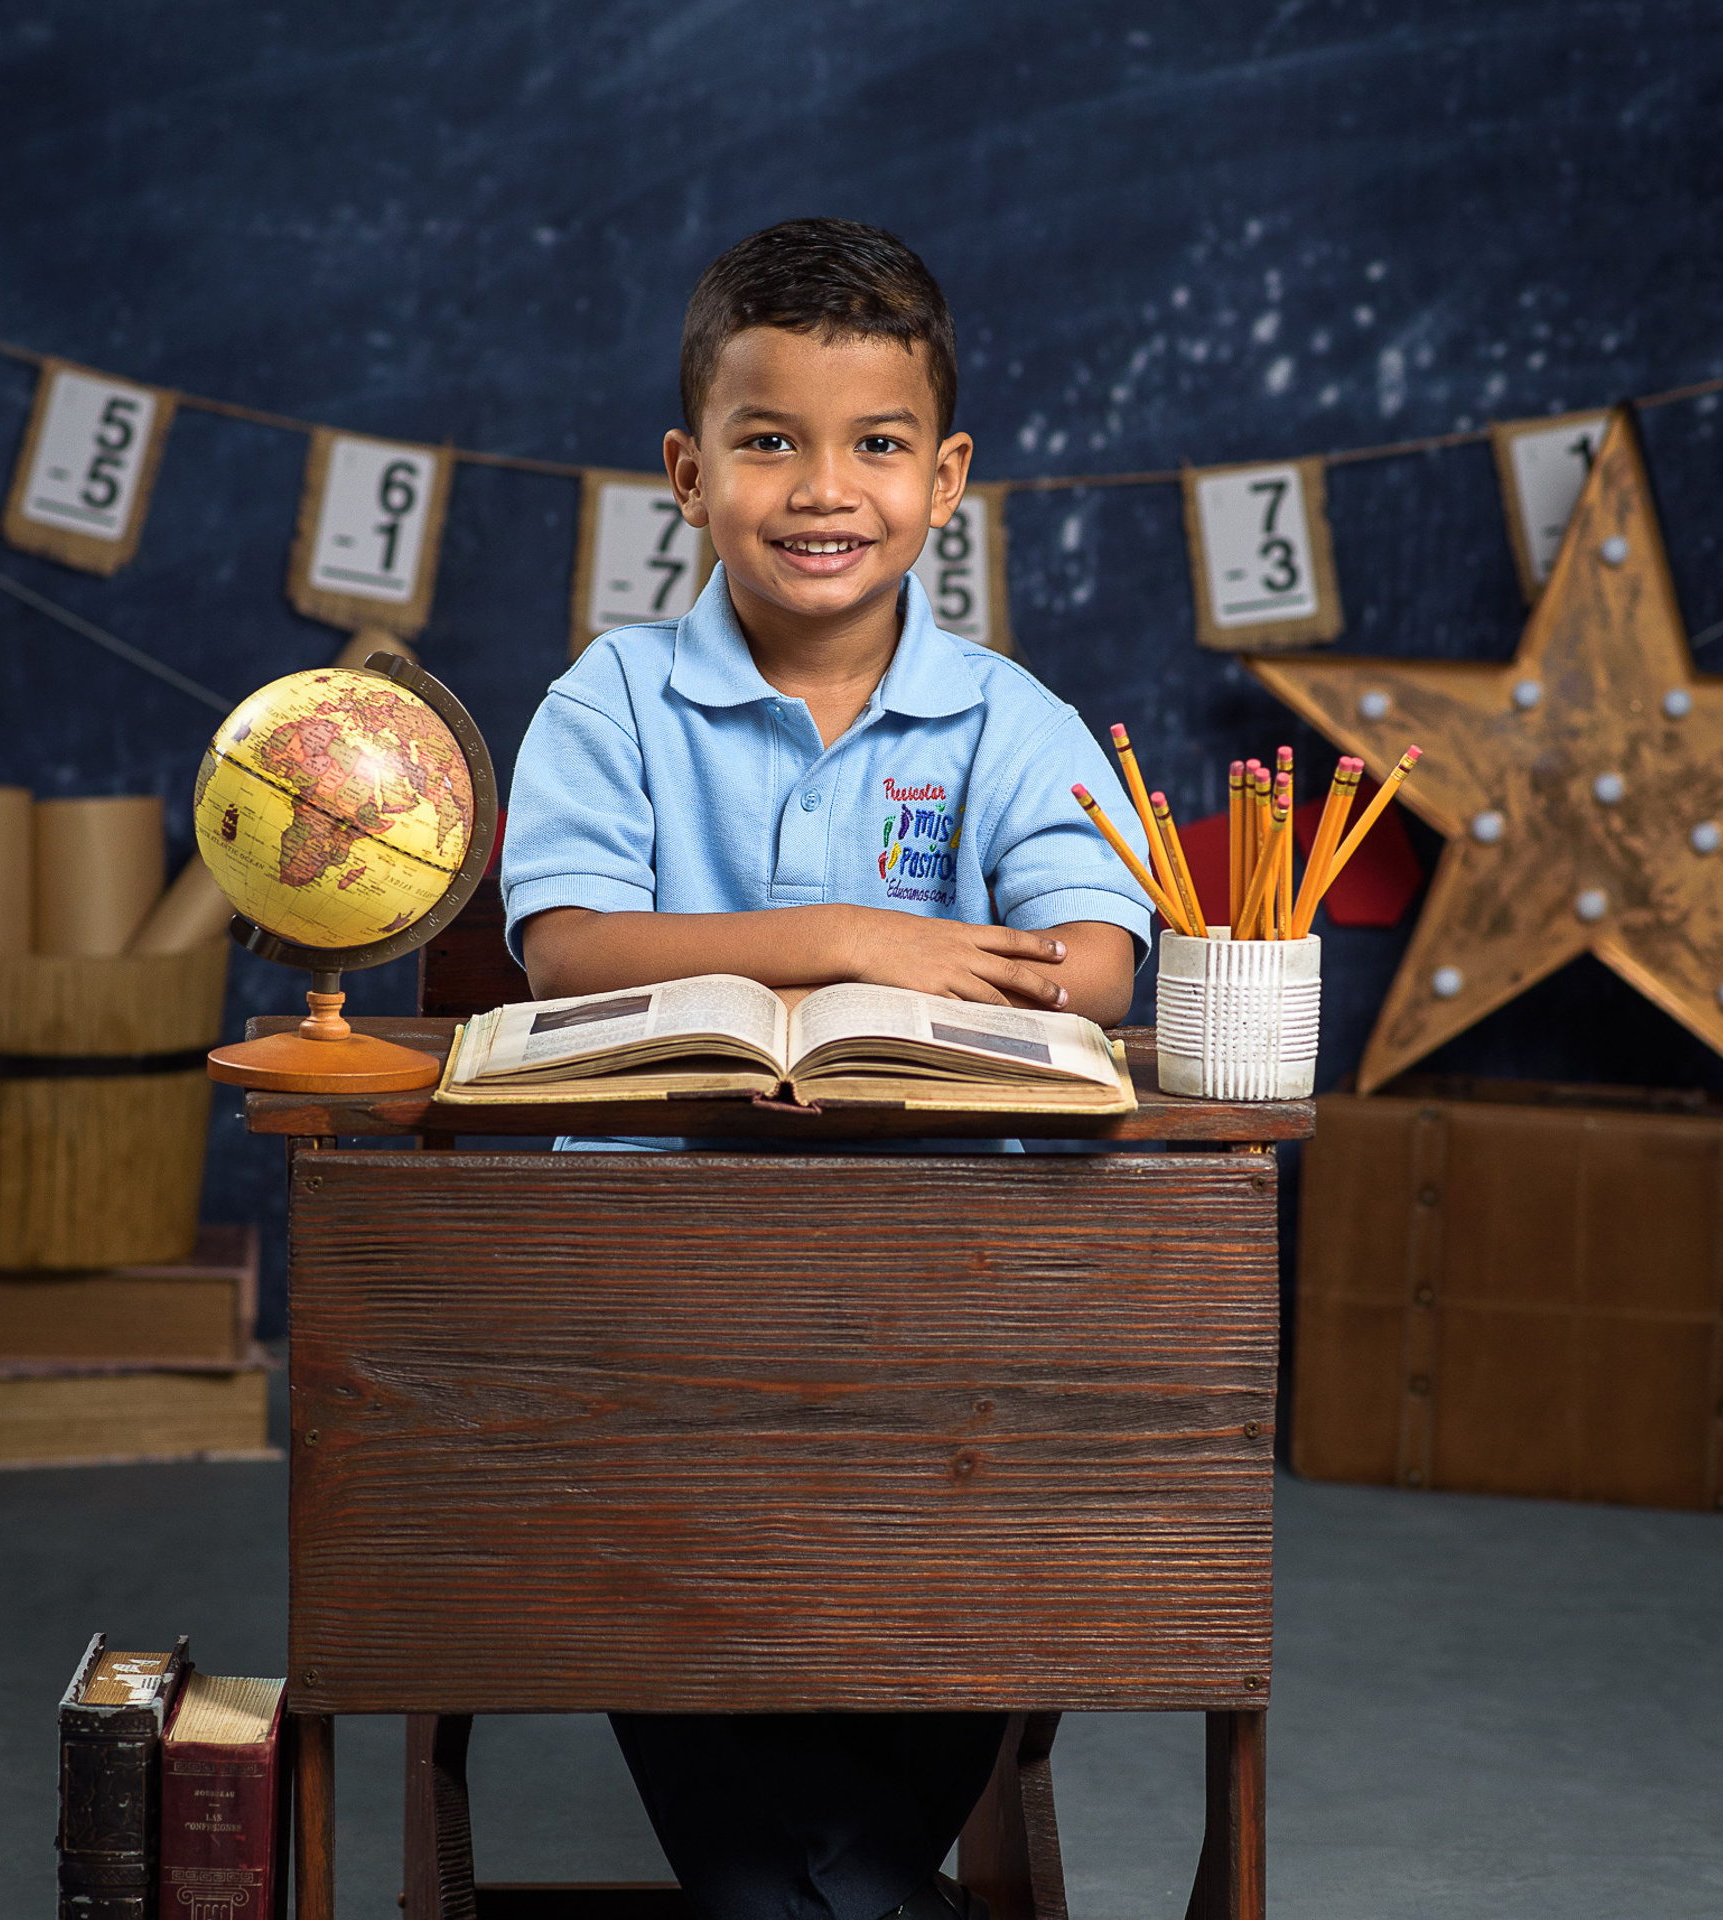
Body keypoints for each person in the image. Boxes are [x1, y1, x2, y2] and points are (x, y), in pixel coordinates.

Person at [500, 217, 1154, 1920]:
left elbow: (1096, 959)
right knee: (660, 1522)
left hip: (947, 1284)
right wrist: (848, 937)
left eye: (874, 446)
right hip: (652, 1291)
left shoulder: (1008, 716)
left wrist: (1006, 966)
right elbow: (567, 949)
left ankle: (820, 1885)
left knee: (1003, 1496)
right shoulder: (614, 699)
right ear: (685, 472)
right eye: (768, 440)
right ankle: (841, 1888)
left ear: (946, 482)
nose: (821, 489)